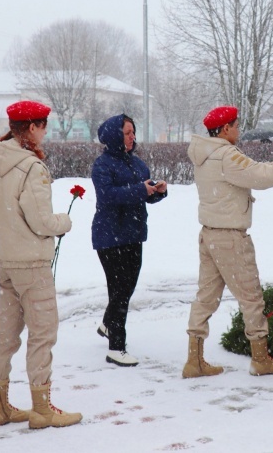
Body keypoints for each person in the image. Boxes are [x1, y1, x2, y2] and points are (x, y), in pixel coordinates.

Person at [182, 106, 273, 378]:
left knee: (205, 297)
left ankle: (194, 360)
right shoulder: (226, 155)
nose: (238, 130)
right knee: (251, 297)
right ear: (225, 129)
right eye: (236, 125)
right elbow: (259, 178)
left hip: (210, 234)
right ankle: (261, 359)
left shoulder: (206, 153)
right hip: (230, 238)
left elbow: (248, 173)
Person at [0, 100, 82, 429]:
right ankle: (42, 408)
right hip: (31, 262)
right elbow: (40, 221)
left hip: (6, 260)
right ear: (31, 128)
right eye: (43, 125)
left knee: (5, 333)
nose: (46, 131)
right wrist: (63, 221)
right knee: (43, 332)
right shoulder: (31, 167)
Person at [91, 114, 168, 367]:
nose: (132, 136)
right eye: (127, 132)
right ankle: (116, 347)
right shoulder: (102, 165)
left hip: (133, 234)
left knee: (127, 287)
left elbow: (142, 195)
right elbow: (107, 195)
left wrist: (157, 192)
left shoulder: (138, 164)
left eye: (133, 131)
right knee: (120, 290)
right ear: (114, 135)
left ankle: (107, 323)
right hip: (109, 236)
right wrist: (138, 189)